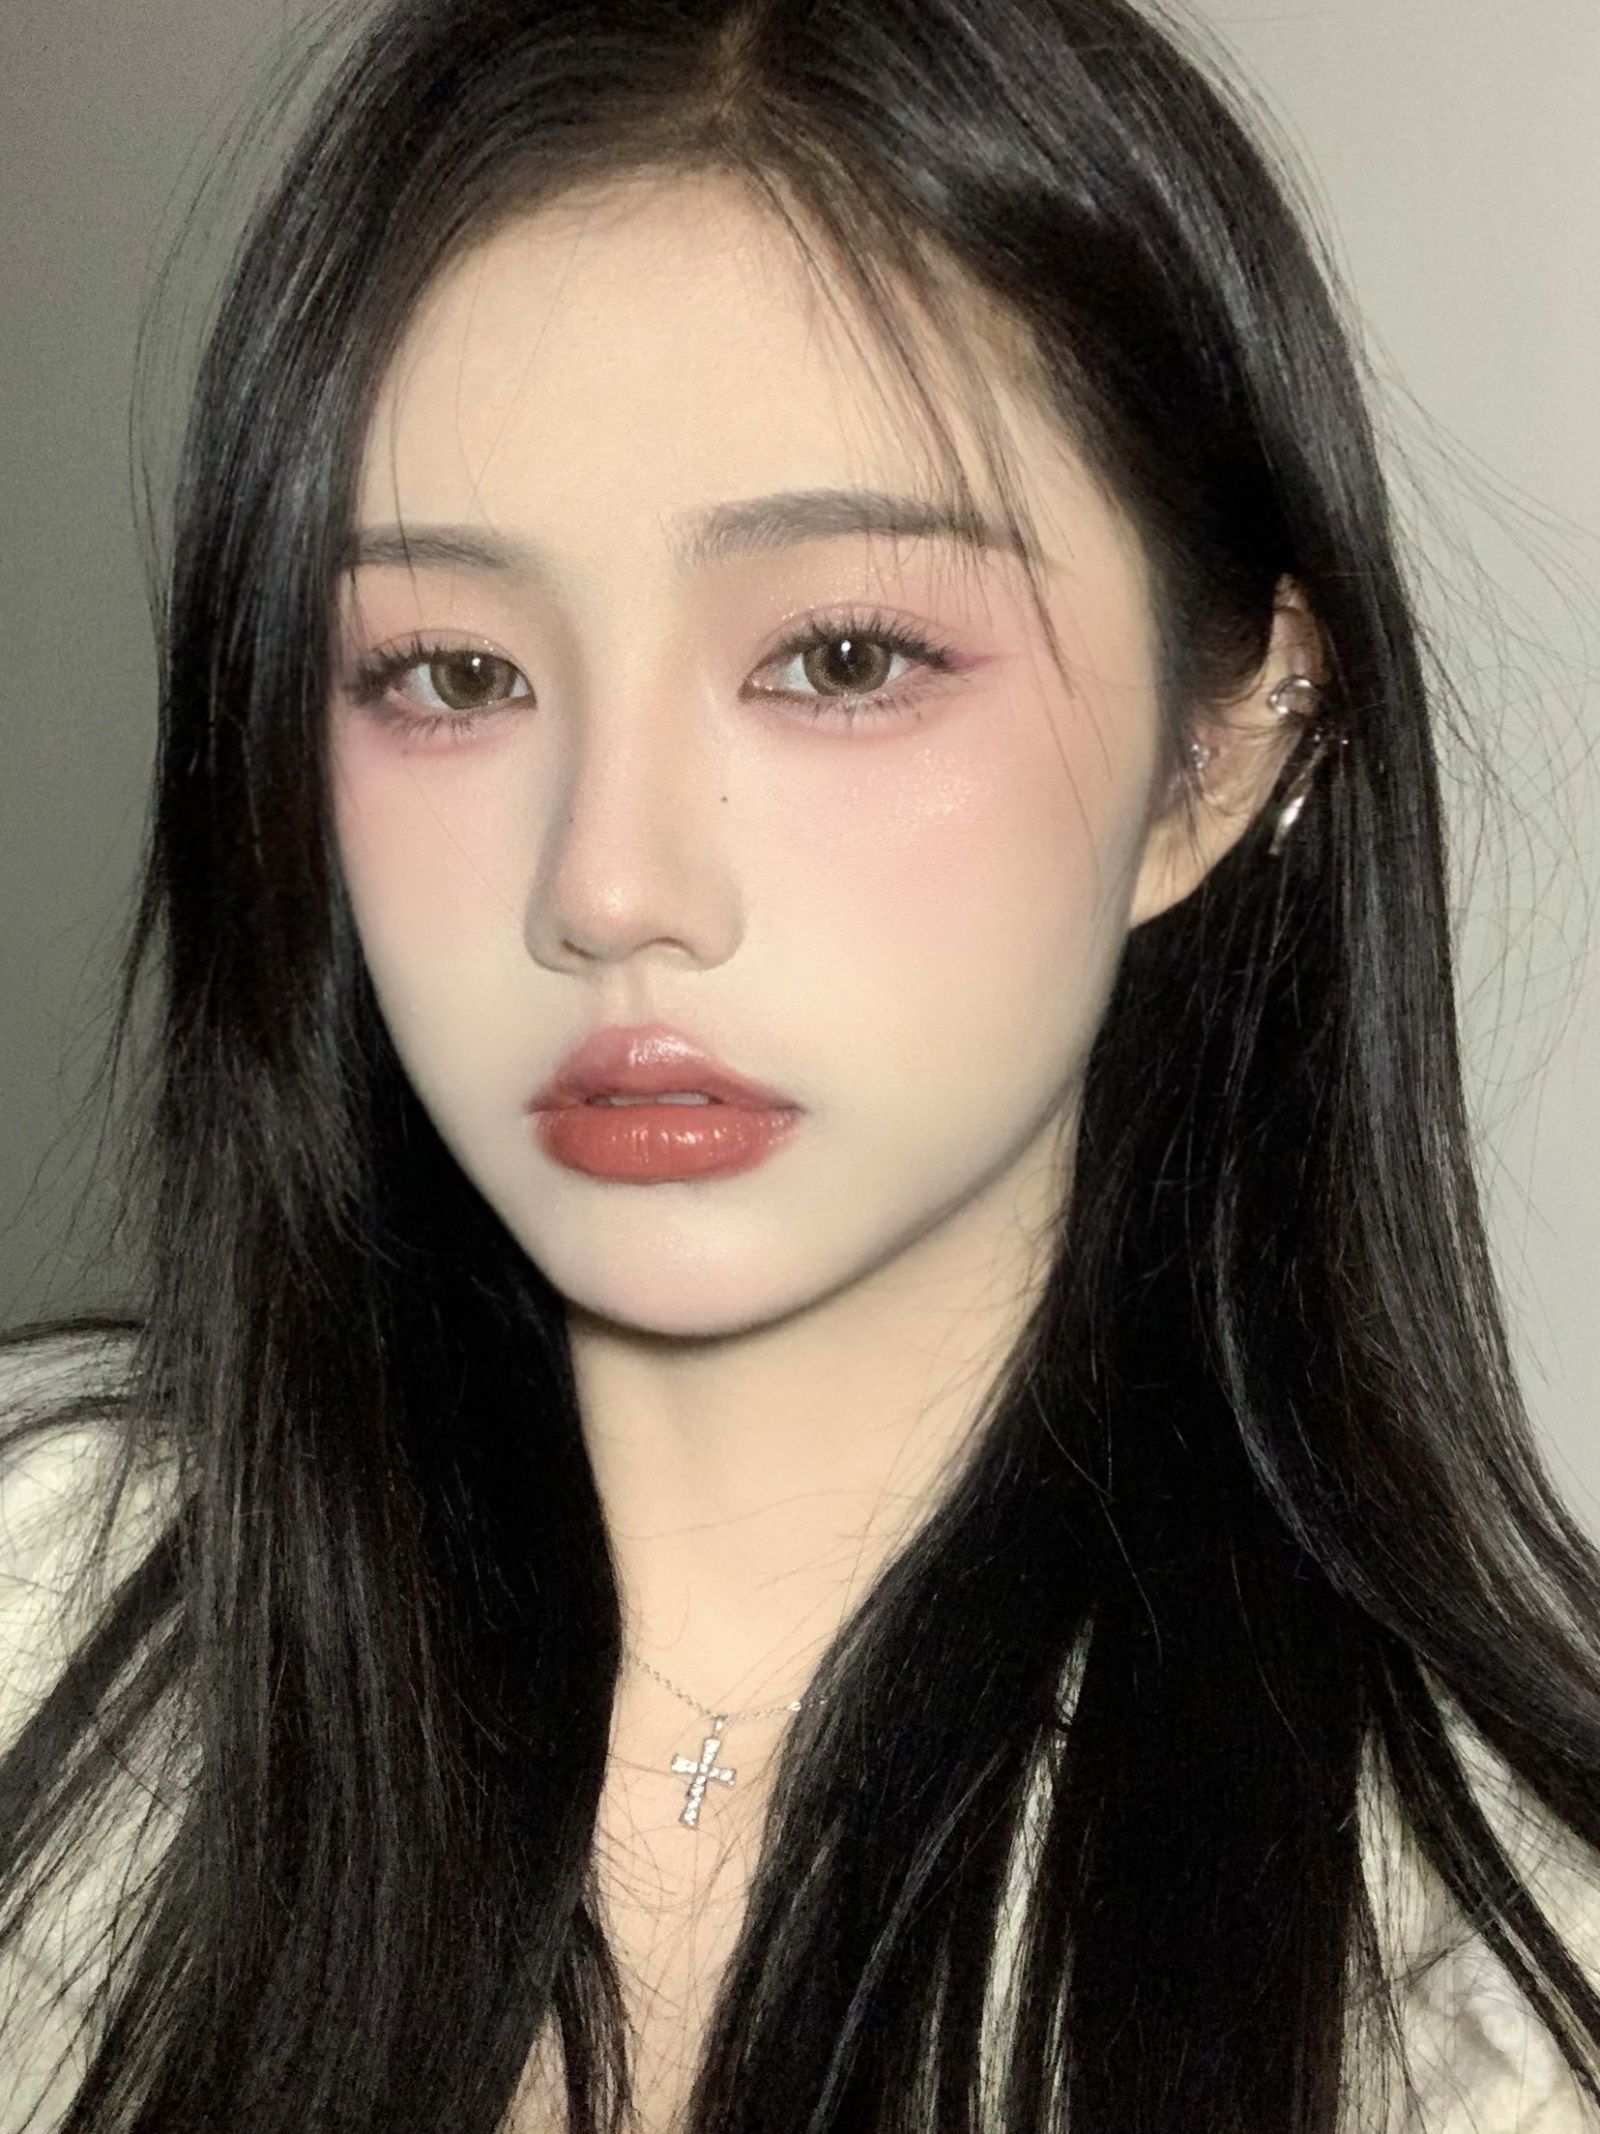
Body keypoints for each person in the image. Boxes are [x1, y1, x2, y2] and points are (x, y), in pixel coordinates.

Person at [3, 0, 1600, 2127]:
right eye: (450, 671)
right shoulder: (40, 1622)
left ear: (1217, 747)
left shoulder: (1481, 2013)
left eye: (841, 657)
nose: (608, 883)